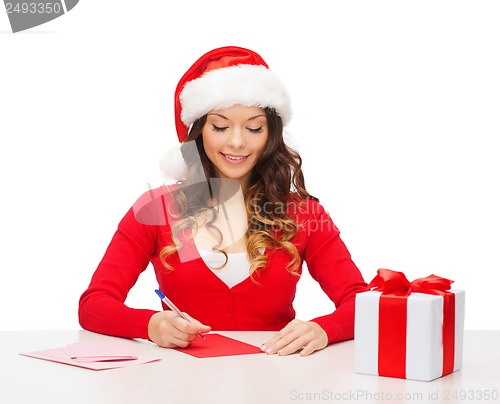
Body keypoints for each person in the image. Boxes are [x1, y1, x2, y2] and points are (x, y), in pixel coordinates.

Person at [79, 46, 368, 357]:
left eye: (254, 128)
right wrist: (150, 325)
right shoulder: (157, 209)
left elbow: (362, 304)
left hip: (275, 382)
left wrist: (324, 328)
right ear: (200, 132)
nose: (237, 142)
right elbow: (93, 304)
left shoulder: (305, 214)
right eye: (220, 127)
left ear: (270, 134)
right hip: (178, 385)